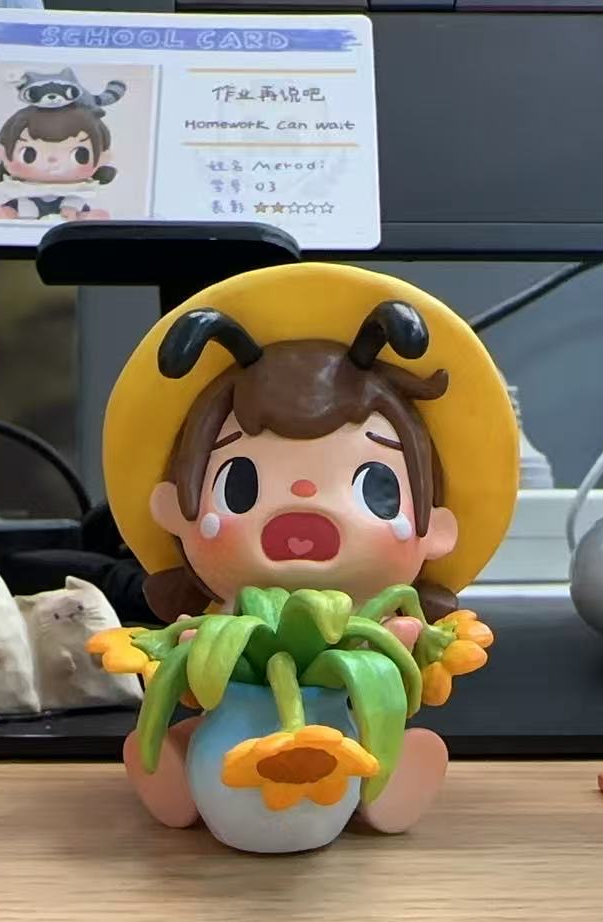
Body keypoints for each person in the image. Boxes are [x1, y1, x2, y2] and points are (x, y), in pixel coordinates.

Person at [99, 263, 520, 831]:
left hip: (337, 728)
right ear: (175, 508)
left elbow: (399, 665)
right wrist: (197, 649)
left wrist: (402, 641)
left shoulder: (374, 619)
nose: (303, 502)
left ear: (435, 528)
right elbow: (198, 665)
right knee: (209, 730)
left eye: (374, 488)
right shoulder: (226, 616)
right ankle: (172, 762)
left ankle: (387, 779)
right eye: (240, 486)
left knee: (373, 733)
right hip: (237, 731)